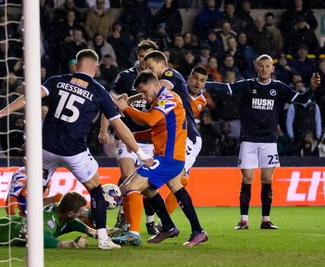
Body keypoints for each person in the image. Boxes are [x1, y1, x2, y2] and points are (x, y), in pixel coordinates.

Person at [0, 49, 154, 249]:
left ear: (76, 65)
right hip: (74, 152)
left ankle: (29, 228)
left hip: (45, 148)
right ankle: (103, 239)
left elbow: (30, 95)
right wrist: (141, 153)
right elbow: (120, 127)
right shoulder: (99, 91)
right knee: (96, 191)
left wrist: (4, 112)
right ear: (96, 68)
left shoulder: (58, 80)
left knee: (36, 190)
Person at [205, 54, 321, 230]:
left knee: (267, 178)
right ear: (256, 67)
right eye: (262, 66)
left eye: (268, 66)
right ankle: (244, 220)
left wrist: (311, 89)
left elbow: (303, 100)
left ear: (272, 69)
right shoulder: (248, 85)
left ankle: (265, 219)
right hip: (249, 139)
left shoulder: (279, 88)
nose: (265, 69)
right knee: (247, 178)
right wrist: (202, 85)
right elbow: (225, 87)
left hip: (269, 141)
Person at [112, 70, 208, 247]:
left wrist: (127, 108)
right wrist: (134, 136)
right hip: (167, 156)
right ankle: (185, 229)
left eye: (144, 91)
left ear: (156, 84)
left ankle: (132, 233)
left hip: (169, 158)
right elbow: (156, 129)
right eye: (140, 92)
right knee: (166, 189)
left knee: (130, 187)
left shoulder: (169, 98)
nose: (143, 96)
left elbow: (150, 120)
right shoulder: (159, 101)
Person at [0, 166, 95, 249]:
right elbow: (37, 238)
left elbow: (72, 223)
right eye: (80, 212)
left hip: (14, 223)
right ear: (69, 213)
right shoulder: (49, 222)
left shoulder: (55, 209)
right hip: (4, 233)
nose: (83, 214)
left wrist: (92, 231)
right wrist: (66, 244)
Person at [140, 50, 207, 242]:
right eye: (145, 68)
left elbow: (160, 88)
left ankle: (188, 229)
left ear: (163, 64)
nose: (149, 71)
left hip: (188, 137)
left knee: (176, 183)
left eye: (151, 67)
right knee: (168, 183)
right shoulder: (161, 87)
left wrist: (131, 101)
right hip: (174, 138)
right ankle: (172, 227)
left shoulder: (170, 76)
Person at [98, 39, 159, 234]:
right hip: (127, 136)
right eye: (141, 57)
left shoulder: (160, 81)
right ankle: (124, 219)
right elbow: (110, 104)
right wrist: (103, 130)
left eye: (147, 57)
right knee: (127, 175)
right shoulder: (124, 77)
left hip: (151, 139)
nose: (143, 61)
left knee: (148, 185)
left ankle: (150, 221)